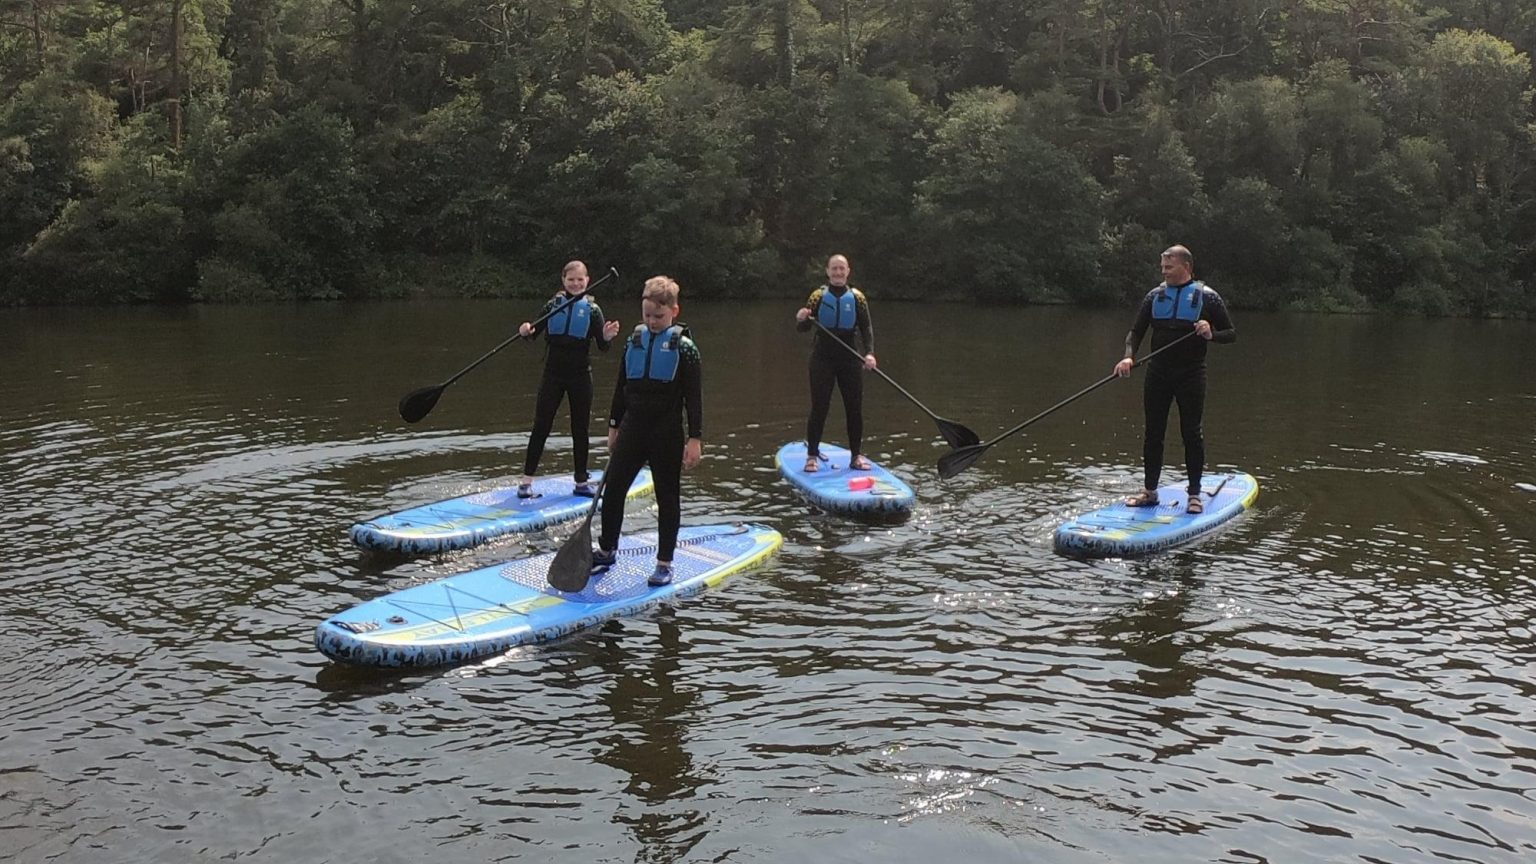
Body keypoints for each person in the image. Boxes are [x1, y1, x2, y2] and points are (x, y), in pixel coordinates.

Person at [592, 276, 703, 586]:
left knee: (667, 495)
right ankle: (607, 548)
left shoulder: (686, 349)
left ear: (674, 312)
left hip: (666, 432)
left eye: (659, 316)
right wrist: (613, 426)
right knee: (614, 489)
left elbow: (694, 398)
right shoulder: (634, 341)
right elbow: (621, 388)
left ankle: (664, 562)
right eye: (647, 315)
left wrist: (695, 438)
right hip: (633, 427)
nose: (652, 322)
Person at [1113, 245, 1236, 513]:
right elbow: (1135, 332)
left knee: (1191, 433)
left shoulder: (1208, 298)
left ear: (1186, 267)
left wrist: (1210, 333)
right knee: (1153, 432)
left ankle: (1194, 494)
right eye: (1162, 267)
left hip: (1191, 375)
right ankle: (1150, 491)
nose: (1164, 271)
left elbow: (1230, 333)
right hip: (1158, 373)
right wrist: (1128, 357)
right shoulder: (1154, 296)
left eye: (1169, 267)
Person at [516, 261, 622, 498]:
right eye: (571, 279)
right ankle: (526, 482)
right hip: (553, 375)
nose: (576, 284)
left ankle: (581, 482)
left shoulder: (593, 311)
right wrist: (525, 331)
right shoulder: (552, 306)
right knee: (541, 426)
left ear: (587, 280)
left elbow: (603, 346)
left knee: (580, 429)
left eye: (580, 280)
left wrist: (606, 337)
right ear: (563, 280)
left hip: (580, 376)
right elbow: (532, 333)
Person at [794, 254, 877, 472]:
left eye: (842, 269)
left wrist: (869, 353)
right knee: (819, 407)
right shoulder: (817, 296)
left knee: (854, 408)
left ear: (848, 271)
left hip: (850, 359)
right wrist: (801, 318)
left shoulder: (858, 298)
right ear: (828, 272)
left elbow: (866, 328)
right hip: (822, 359)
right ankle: (812, 456)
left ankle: (856, 456)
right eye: (834, 268)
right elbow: (803, 328)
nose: (838, 272)